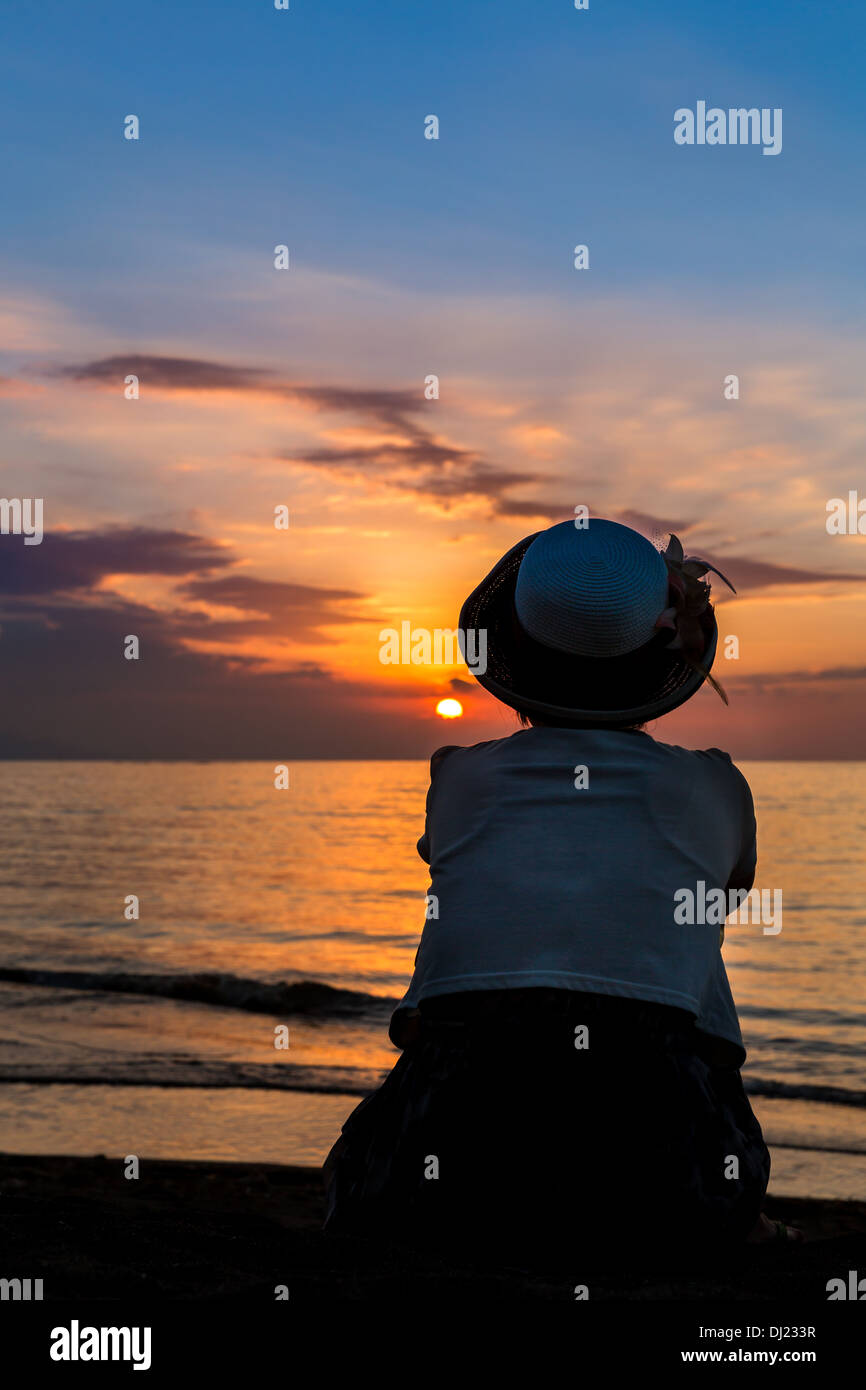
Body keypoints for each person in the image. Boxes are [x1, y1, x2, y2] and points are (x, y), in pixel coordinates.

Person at [323, 517, 800, 1262]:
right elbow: (731, 885)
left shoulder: (458, 779)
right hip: (653, 1151)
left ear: (509, 653)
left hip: (456, 1141)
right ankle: (731, 1220)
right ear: (665, 657)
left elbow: (452, 867)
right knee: (688, 950)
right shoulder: (715, 786)